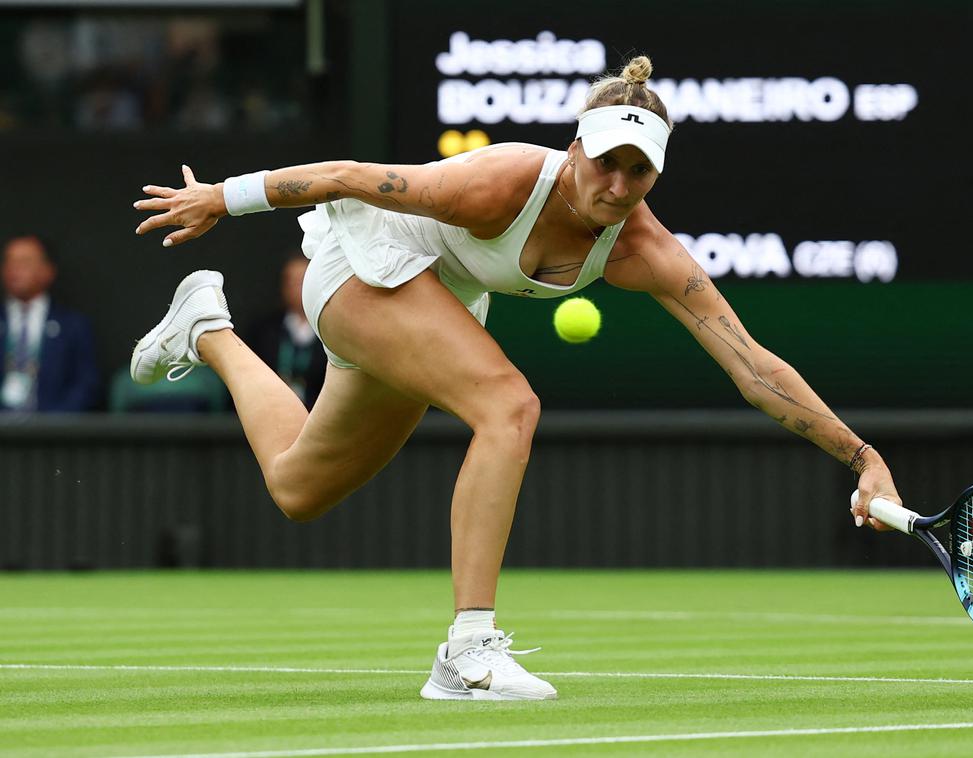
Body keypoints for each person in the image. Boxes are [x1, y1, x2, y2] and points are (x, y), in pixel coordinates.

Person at [130, 56, 903, 701]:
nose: (620, 185)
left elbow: (752, 364)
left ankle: (208, 326)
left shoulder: (643, 249)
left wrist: (863, 457)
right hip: (366, 265)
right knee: (509, 404)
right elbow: (346, 175)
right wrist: (219, 199)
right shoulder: (501, 181)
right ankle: (468, 652)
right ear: (575, 149)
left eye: (641, 171)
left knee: (299, 489)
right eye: (607, 163)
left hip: (437, 298)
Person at [1, 235, 100, 413]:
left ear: (48, 271)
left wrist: (55, 425)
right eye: (9, 261)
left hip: (51, 433)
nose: (14, 269)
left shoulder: (73, 326)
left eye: (24, 262)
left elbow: (87, 384)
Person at [247, 253, 325, 409]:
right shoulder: (264, 331)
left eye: (303, 282)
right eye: (292, 282)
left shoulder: (332, 332)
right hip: (269, 411)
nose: (298, 289)